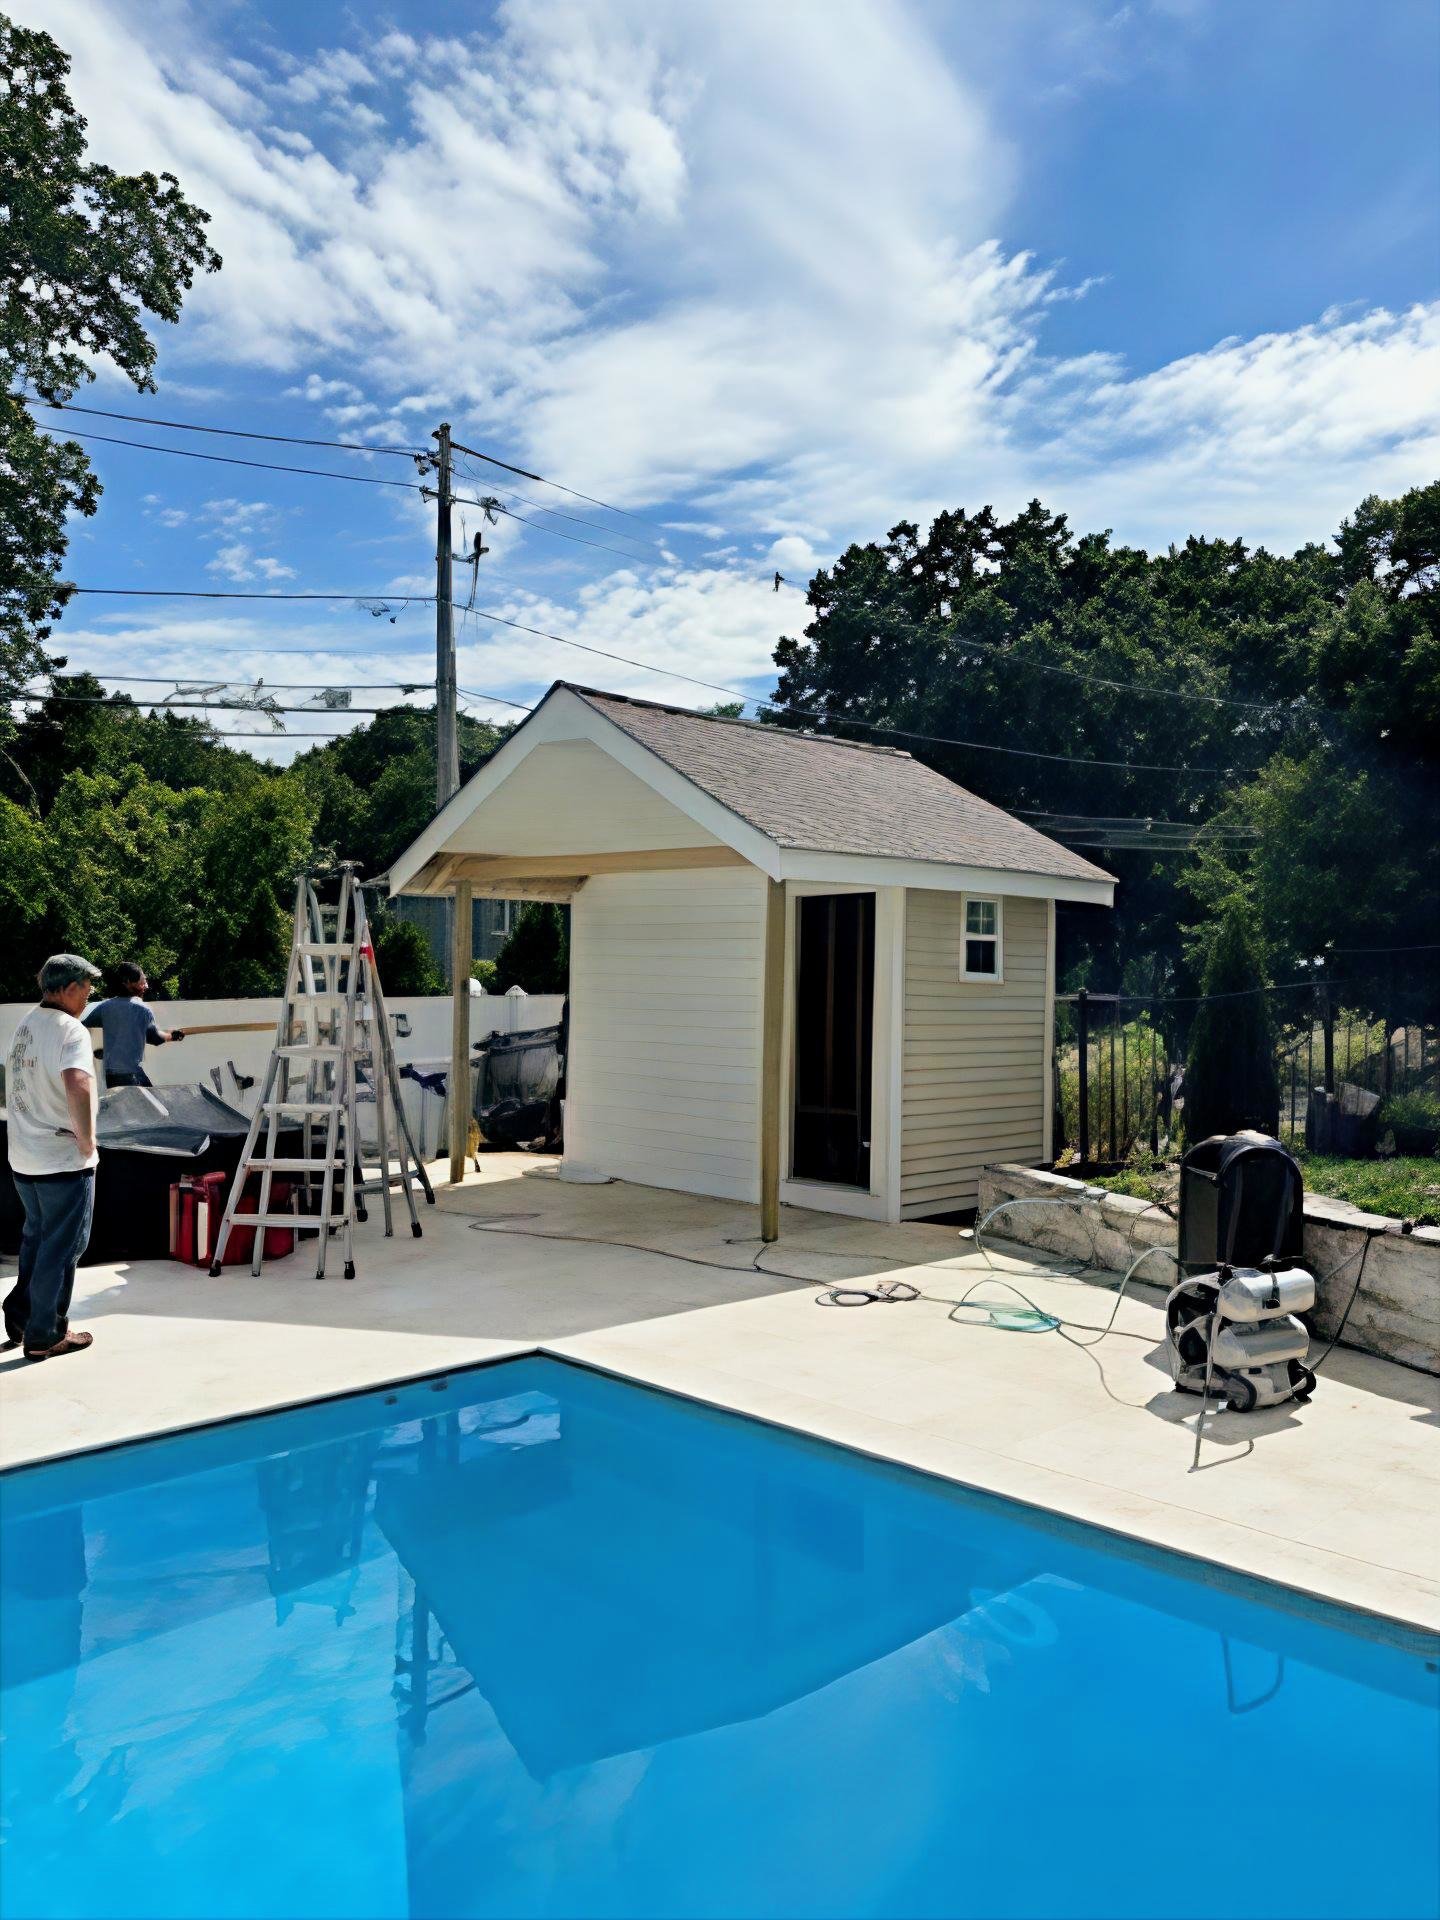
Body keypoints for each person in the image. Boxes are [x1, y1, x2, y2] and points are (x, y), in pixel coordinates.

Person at [3, 955, 103, 1361]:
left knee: (37, 1240)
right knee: (63, 1249)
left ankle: (21, 1315)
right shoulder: (70, 1030)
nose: (88, 997)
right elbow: (77, 1083)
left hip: (25, 1157)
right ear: (69, 988)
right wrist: (87, 1140)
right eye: (86, 989)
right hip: (61, 1159)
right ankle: (45, 1334)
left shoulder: (27, 1024)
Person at [82, 964, 184, 1089]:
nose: (146, 986)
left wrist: (106, 1051)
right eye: (143, 981)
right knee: (151, 1099)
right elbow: (154, 1038)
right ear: (128, 983)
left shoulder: (105, 1007)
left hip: (111, 1075)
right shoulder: (142, 1009)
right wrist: (172, 1036)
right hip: (131, 1073)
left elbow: (82, 1026)